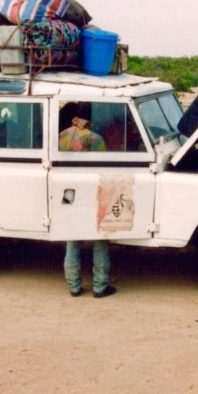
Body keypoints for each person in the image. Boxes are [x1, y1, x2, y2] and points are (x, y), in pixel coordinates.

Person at [58, 103, 114, 298]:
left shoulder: (63, 135)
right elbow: (105, 169)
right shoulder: (96, 140)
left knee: (72, 242)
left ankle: (73, 286)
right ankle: (100, 286)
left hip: (70, 194)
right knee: (99, 242)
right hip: (93, 194)